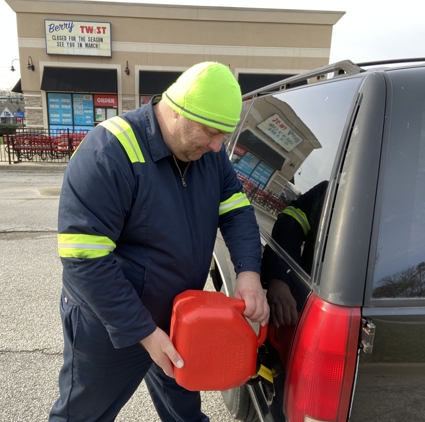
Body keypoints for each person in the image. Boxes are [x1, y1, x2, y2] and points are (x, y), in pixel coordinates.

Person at [49, 62, 270, 422]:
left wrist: (248, 272)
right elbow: (83, 258)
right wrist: (145, 334)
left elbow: (237, 211)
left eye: (223, 136)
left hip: (179, 316)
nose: (217, 147)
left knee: (184, 410)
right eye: (212, 132)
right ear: (178, 112)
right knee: (83, 413)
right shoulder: (109, 150)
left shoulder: (209, 157)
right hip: (110, 323)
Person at [261, 180, 328, 328]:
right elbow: (290, 223)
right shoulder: (332, 193)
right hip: (296, 308)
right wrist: (280, 279)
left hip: (333, 317)